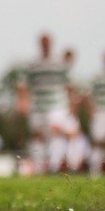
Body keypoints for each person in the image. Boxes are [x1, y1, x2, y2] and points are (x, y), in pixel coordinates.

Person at [15, 34, 71, 174]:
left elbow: (68, 85)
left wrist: (70, 104)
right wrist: (22, 101)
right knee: (37, 135)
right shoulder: (33, 65)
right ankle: (39, 168)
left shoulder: (59, 64)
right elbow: (24, 85)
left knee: (55, 131)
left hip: (56, 104)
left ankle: (54, 167)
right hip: (38, 105)